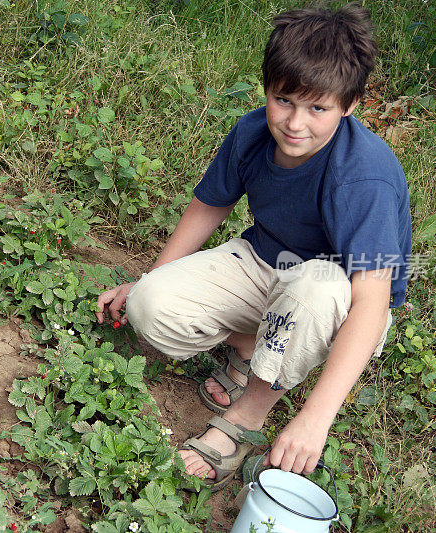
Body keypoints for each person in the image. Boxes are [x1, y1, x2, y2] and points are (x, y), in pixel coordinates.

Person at [95, 3, 412, 491]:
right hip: (265, 263)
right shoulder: (251, 132)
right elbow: (208, 207)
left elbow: (371, 302)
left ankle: (249, 413)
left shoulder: (362, 177)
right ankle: (253, 346)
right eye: (284, 100)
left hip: (338, 298)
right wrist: (149, 277)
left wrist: (315, 418)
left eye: (318, 108)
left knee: (314, 287)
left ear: (349, 106)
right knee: (149, 306)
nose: (295, 123)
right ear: (267, 87)